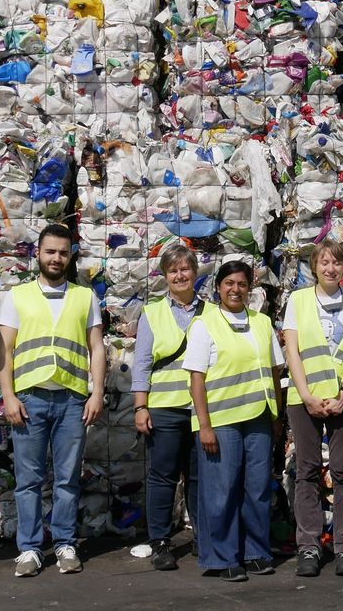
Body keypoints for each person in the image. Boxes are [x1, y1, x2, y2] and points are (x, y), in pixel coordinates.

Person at [0, 223, 106, 577]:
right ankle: (29, 549)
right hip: (29, 399)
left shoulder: (85, 297)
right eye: (50, 251)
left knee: (66, 478)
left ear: (70, 255)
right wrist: (9, 397)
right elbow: (6, 352)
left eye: (62, 252)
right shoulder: (17, 297)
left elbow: (97, 348)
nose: (56, 258)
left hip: (72, 399)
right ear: (38, 254)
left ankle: (64, 543)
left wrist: (97, 392)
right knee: (27, 479)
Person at [185, 260, 284, 582]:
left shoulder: (262, 323)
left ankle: (256, 551)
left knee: (256, 489)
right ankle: (221, 556)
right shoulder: (205, 324)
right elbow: (196, 379)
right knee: (221, 490)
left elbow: (274, 371)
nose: (235, 290)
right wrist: (204, 425)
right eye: (229, 284)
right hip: (221, 421)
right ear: (218, 288)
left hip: (258, 418)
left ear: (250, 288)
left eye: (241, 284)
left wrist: (277, 417)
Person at [281, 240, 343, 578]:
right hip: (305, 400)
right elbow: (292, 349)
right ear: (313, 267)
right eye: (323, 262)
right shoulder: (298, 300)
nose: (330, 268)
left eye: (336, 263)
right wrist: (305, 395)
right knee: (307, 470)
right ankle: (309, 547)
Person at [132, 244, 204, 571]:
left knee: (200, 477)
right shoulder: (152, 313)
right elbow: (142, 363)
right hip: (164, 408)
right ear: (165, 276)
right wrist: (140, 406)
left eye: (185, 269)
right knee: (163, 477)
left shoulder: (211, 312)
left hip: (201, 410)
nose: (179, 275)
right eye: (173, 270)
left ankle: (204, 537)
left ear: (194, 273)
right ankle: (160, 541)